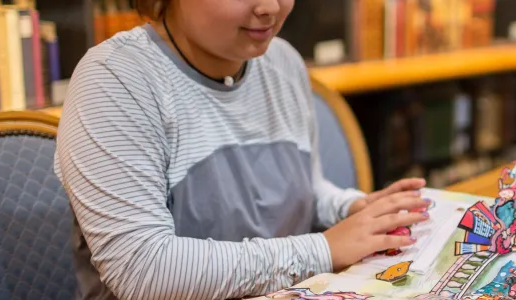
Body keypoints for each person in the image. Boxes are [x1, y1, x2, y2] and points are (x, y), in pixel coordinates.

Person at [53, 0, 430, 299]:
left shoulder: (282, 61)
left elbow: (304, 189)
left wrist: (351, 209)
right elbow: (142, 269)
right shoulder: (115, 81)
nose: (271, 7)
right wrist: (324, 250)